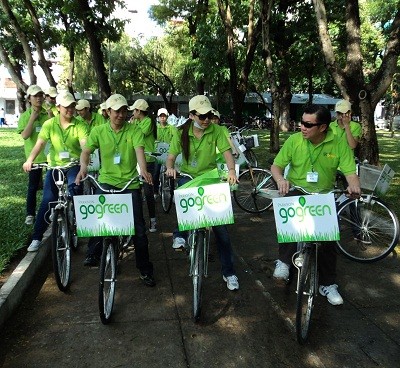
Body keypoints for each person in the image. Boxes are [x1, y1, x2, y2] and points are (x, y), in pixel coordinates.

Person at [270, 104, 361, 305]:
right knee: (288, 219)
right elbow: (276, 166)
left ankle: (327, 284)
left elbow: (350, 172)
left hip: (324, 195)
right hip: (298, 190)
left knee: (328, 239)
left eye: (308, 124)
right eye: (301, 122)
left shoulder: (338, 143)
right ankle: (284, 261)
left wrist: (354, 186)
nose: (302, 127)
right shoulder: (294, 141)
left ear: (322, 127)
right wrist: (280, 180)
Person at [75, 94, 155, 287]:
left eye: (123, 111)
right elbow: (86, 151)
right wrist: (83, 167)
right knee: (99, 223)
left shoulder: (134, 130)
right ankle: (93, 253)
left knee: (139, 230)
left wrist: (143, 170)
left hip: (129, 184)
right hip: (106, 181)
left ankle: (145, 269)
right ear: (108, 112)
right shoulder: (98, 131)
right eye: (116, 111)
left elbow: (139, 151)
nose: (120, 114)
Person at [165, 95, 240, 291]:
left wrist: (231, 171)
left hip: (211, 179)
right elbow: (171, 157)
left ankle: (229, 273)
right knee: (181, 198)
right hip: (188, 177)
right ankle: (179, 235)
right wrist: (170, 168)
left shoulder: (216, 130)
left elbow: (226, 153)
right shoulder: (181, 133)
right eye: (202, 116)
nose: (206, 120)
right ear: (191, 115)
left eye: (209, 115)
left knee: (221, 231)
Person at [22, 92, 88, 252]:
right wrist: (30, 159)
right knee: (47, 200)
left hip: (73, 164)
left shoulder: (79, 124)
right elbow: (39, 143)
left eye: (72, 106)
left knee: (75, 189)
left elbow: (85, 146)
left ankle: (76, 221)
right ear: (58, 107)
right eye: (66, 106)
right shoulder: (49, 124)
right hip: (55, 166)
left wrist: (84, 165)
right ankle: (37, 238)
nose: (70, 109)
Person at [17, 85, 49, 225]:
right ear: (29, 99)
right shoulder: (25, 116)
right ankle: (30, 214)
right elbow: (25, 135)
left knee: (51, 187)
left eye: (40, 95)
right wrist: (32, 118)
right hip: (34, 159)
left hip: (49, 157)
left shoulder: (47, 113)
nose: (39, 98)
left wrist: (50, 117)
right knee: (33, 187)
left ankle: (51, 211)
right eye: (35, 96)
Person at [129, 99, 158, 233]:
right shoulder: (135, 121)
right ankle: (137, 221)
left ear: (139, 111)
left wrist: (132, 125)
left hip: (148, 160)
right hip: (135, 160)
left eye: (134, 110)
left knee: (148, 191)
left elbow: (138, 134)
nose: (132, 113)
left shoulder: (148, 121)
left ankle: (153, 219)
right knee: (136, 191)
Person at [153, 107, 175, 194]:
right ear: (158, 117)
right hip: (157, 153)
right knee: (156, 172)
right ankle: (155, 191)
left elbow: (175, 137)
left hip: (168, 153)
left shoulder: (171, 128)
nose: (162, 118)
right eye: (160, 116)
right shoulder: (154, 128)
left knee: (171, 172)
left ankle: (172, 192)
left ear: (167, 117)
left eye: (164, 116)